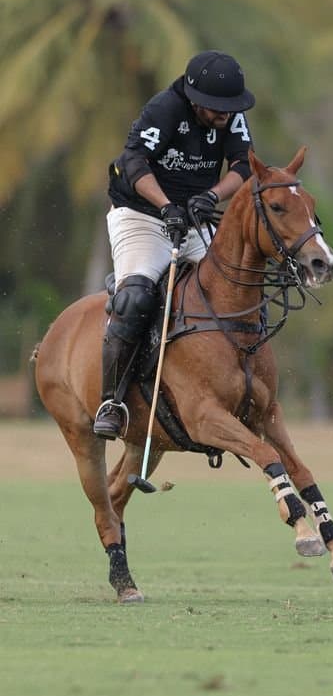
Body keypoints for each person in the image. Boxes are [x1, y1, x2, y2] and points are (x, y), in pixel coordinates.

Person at [92, 50, 256, 439]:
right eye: (218, 108)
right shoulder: (164, 109)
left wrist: (212, 196)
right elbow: (133, 164)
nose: (225, 115)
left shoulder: (231, 117)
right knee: (135, 297)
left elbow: (243, 167)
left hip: (197, 218)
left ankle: (247, 386)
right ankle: (111, 401)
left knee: (237, 287)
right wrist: (166, 206)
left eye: (231, 108)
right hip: (142, 216)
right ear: (196, 98)